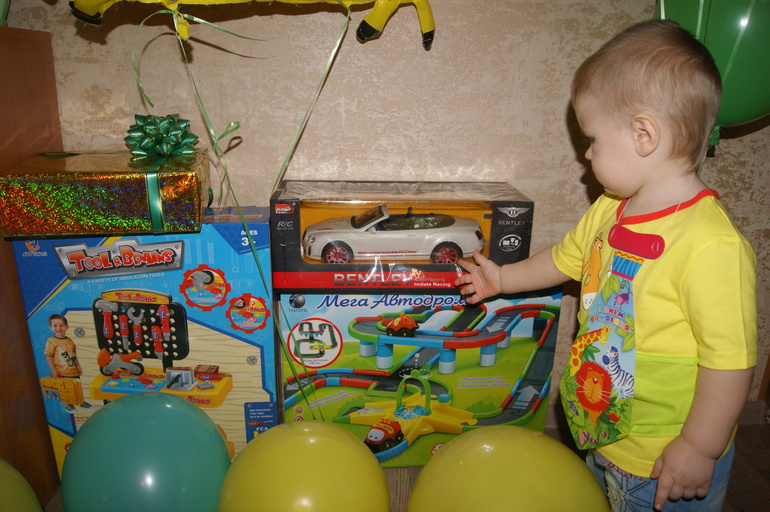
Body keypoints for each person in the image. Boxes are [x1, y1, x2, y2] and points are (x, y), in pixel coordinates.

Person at [456, 20, 756, 512]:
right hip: (602, 427)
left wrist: (699, 448)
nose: (587, 153)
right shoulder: (609, 210)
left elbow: (729, 362)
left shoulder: (710, 244)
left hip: (665, 459)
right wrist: (503, 279)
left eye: (592, 139)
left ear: (643, 134)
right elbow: (563, 259)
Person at [44, 314, 95, 414]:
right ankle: (69, 405)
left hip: (73, 370)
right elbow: (48, 356)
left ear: (67, 327)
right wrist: (53, 369)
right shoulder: (51, 341)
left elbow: (74, 355)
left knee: (77, 387)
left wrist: (78, 366)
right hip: (62, 371)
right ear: (50, 327)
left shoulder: (69, 340)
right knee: (66, 389)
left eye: (61, 325)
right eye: (55, 326)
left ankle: (81, 402)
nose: (58, 328)